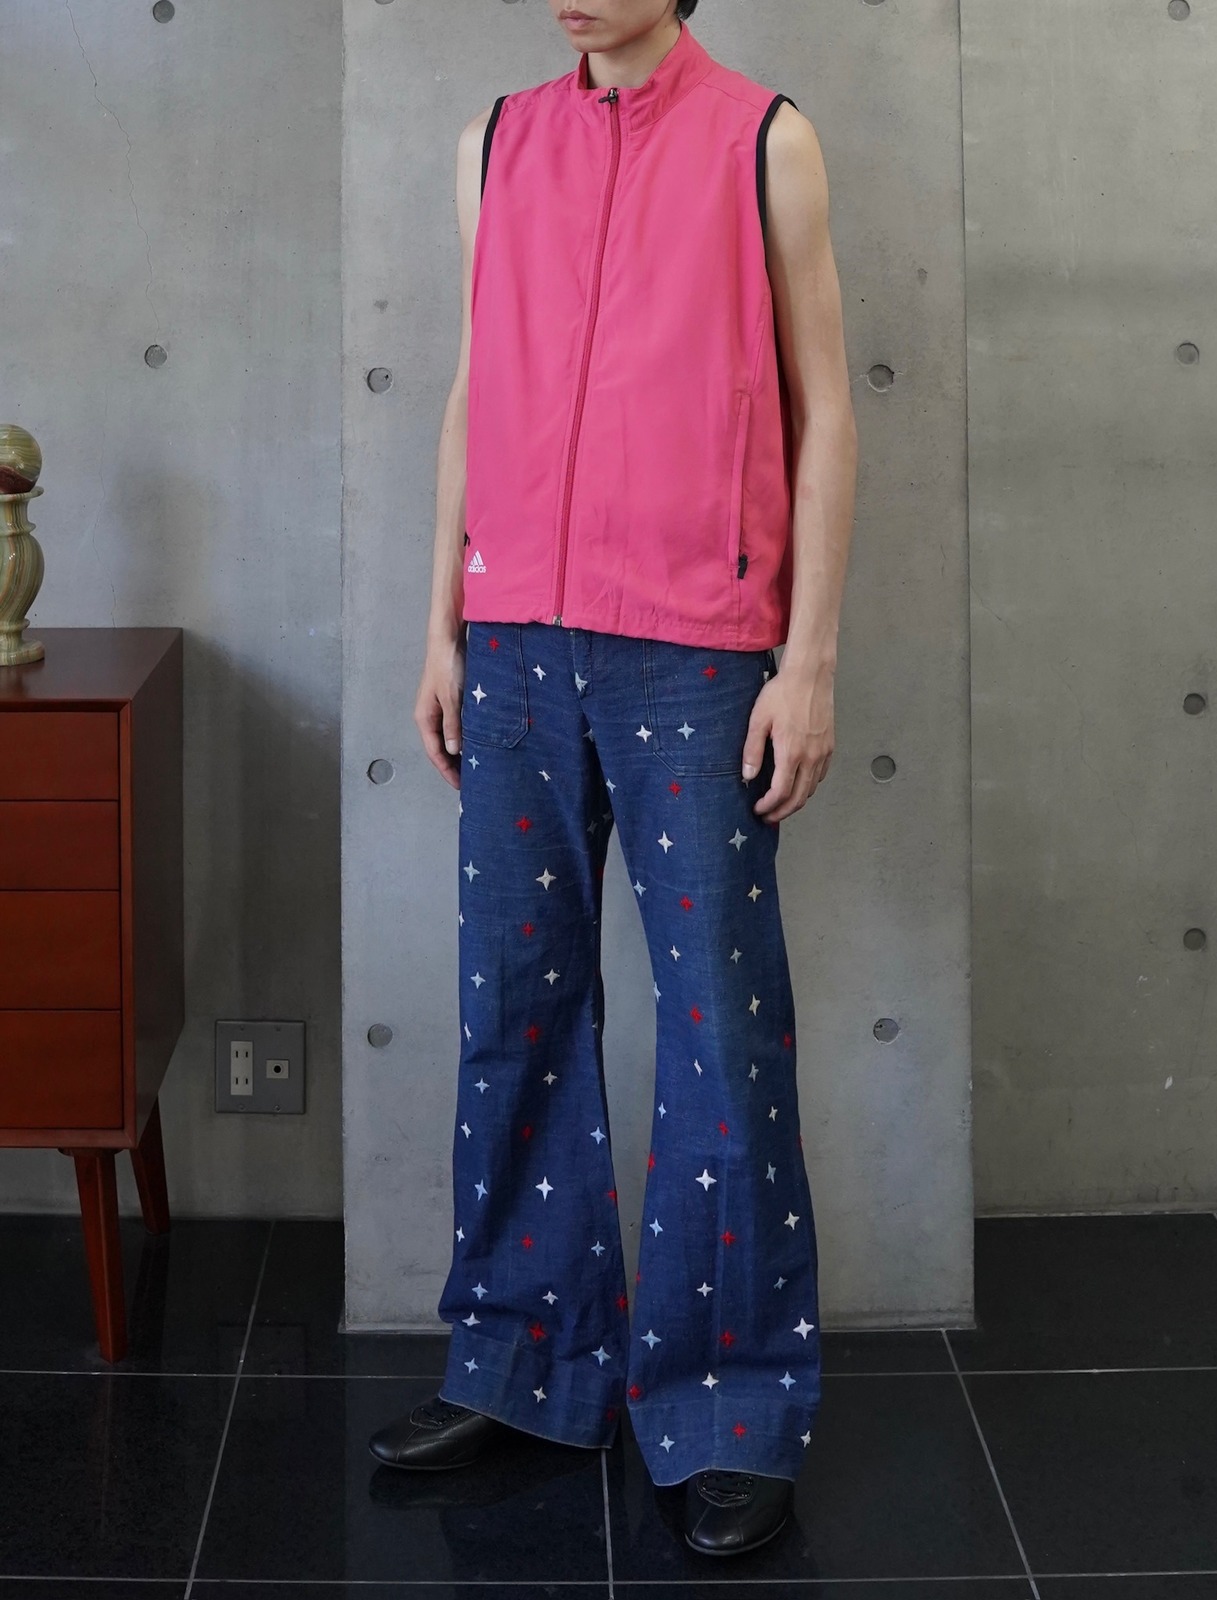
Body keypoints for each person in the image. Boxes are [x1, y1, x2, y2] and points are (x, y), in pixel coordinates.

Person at [369, 0, 857, 1559]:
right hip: (516, 639)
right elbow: (474, 388)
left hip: (695, 651)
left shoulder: (766, 138)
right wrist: (442, 625)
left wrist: (808, 659)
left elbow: (826, 410)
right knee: (513, 1005)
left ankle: (730, 1410)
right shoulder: (499, 140)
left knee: (721, 1026)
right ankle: (524, 1364)